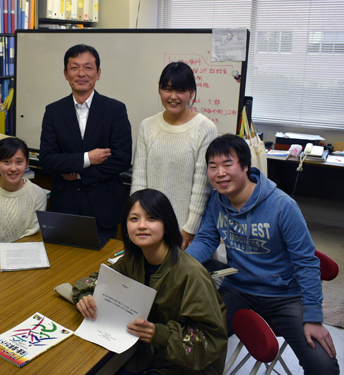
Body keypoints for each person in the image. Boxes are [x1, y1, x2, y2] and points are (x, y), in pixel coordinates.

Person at [186, 134, 340, 375]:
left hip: (286, 295)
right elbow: (206, 239)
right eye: (212, 167)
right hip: (237, 287)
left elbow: (307, 263)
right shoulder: (217, 200)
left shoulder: (282, 206)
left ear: (246, 166)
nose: (220, 173)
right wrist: (180, 263)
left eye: (228, 164)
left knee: (323, 365)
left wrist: (314, 317)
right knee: (190, 342)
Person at [73, 189, 227, 375]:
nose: (141, 225)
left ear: (166, 224)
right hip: (146, 351)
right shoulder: (134, 259)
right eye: (134, 219)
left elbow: (210, 341)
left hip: (186, 366)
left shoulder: (191, 274)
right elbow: (96, 280)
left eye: (151, 218)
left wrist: (159, 334)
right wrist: (86, 295)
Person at [39, 44, 132, 239]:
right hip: (64, 206)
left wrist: (80, 175)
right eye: (74, 67)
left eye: (88, 67)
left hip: (104, 205)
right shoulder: (53, 111)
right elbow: (47, 160)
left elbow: (121, 159)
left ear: (98, 73)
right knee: (63, 263)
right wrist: (87, 158)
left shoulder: (115, 110)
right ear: (65, 73)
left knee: (100, 265)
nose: (81, 73)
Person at [131, 61, 217, 250]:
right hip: (149, 226)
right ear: (159, 90)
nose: (173, 97)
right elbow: (139, 179)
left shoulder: (205, 128)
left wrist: (190, 229)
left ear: (191, 92)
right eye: (167, 89)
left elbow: (202, 186)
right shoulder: (147, 126)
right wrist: (138, 221)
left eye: (180, 90)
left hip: (184, 229)